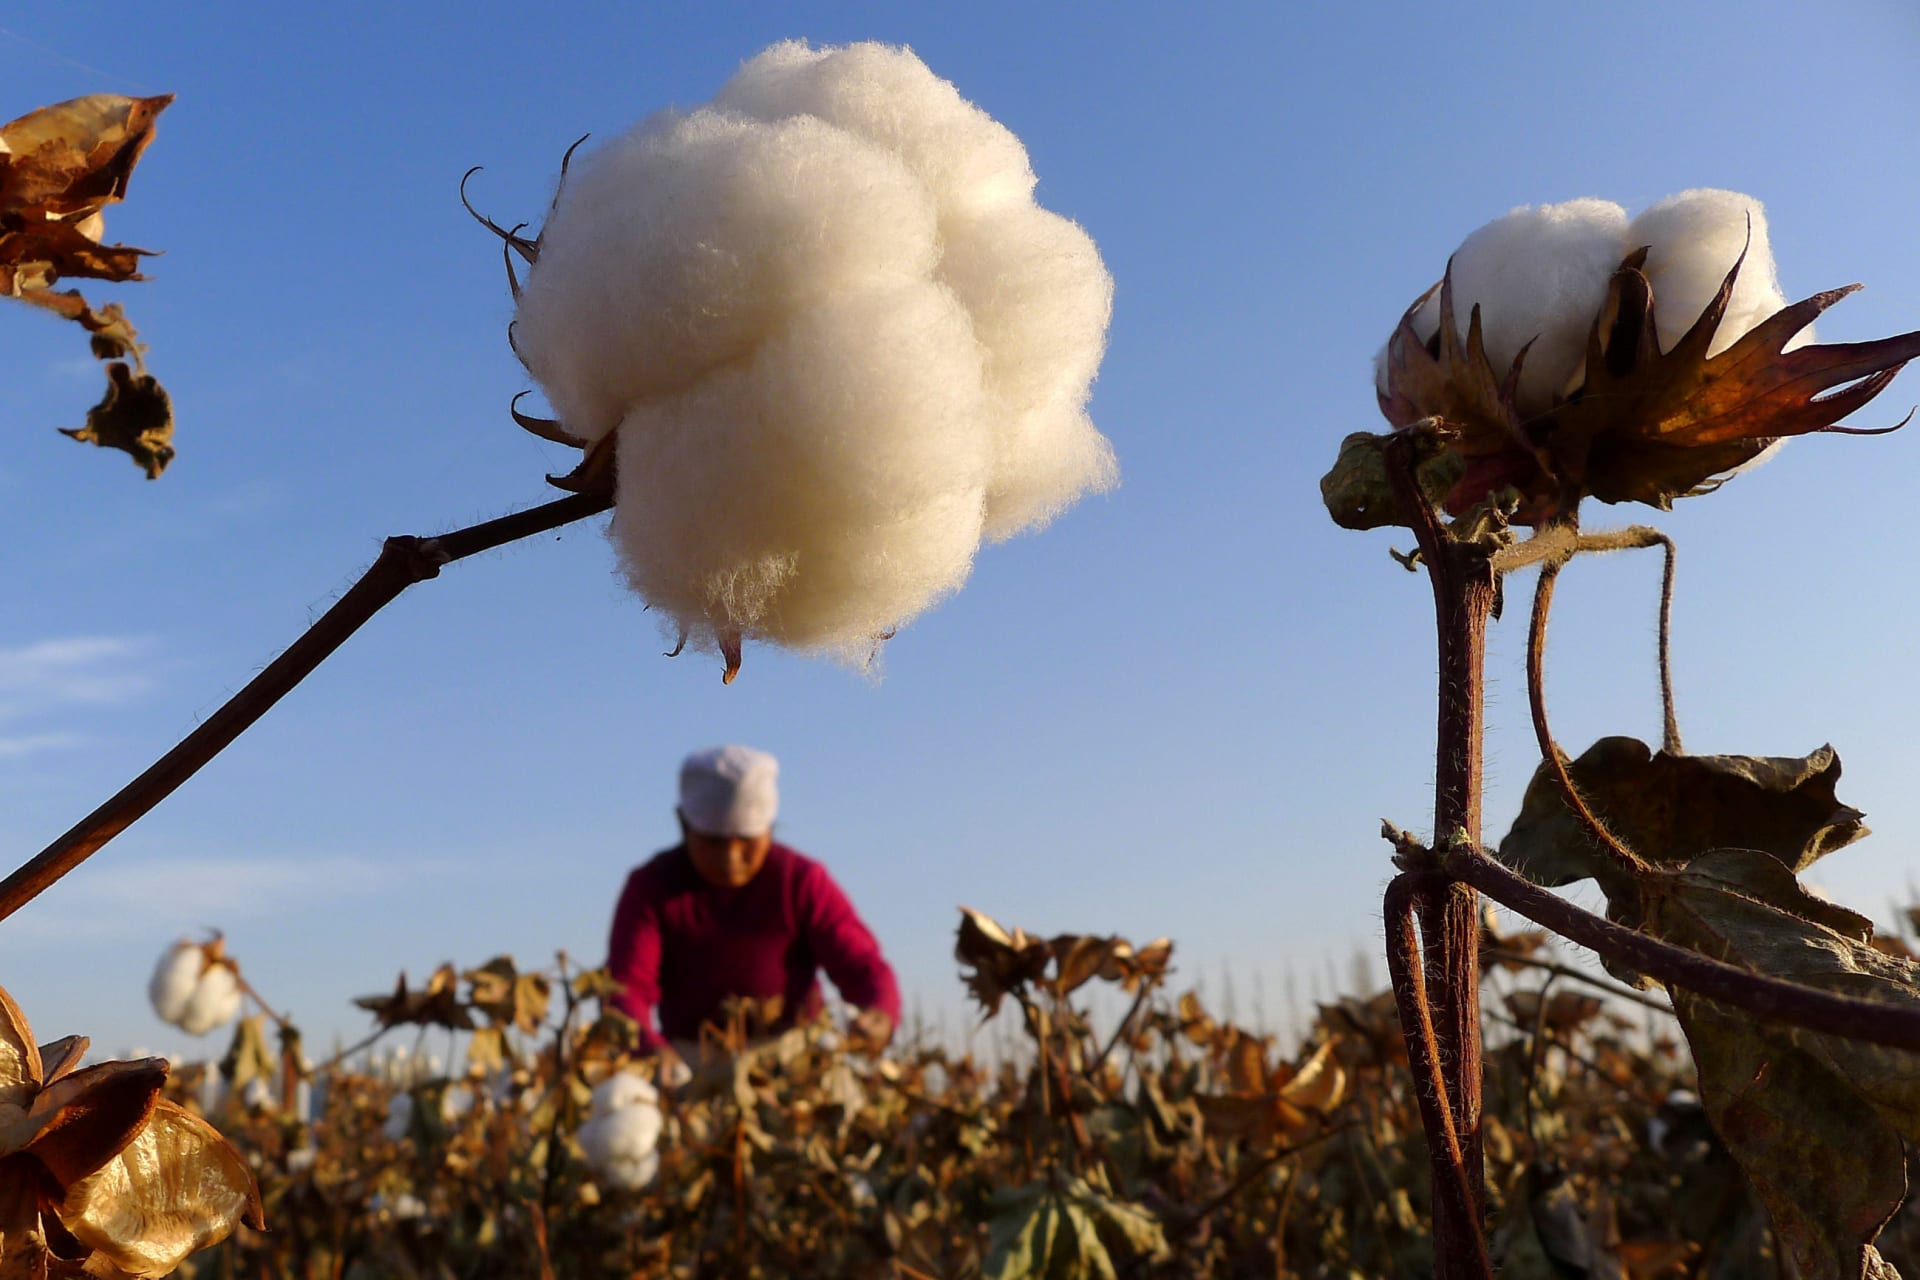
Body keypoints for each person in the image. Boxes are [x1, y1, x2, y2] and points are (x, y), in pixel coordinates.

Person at [606, 745, 900, 1062]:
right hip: (692, 1065)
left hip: (793, 1060)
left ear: (769, 830)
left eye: (746, 841)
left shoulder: (799, 881)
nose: (731, 858)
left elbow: (861, 965)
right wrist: (649, 1050)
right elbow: (626, 987)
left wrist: (879, 1012)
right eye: (713, 842)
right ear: (684, 825)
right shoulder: (652, 886)